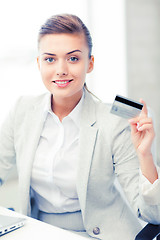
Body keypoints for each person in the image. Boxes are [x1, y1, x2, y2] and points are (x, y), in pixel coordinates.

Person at [0, 14, 160, 240]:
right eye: (50, 59)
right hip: (40, 232)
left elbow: (153, 215)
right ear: (39, 64)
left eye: (73, 59)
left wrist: (145, 156)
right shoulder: (22, 110)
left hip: (102, 235)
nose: (61, 69)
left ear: (90, 63)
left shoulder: (113, 123)